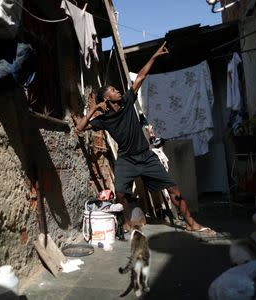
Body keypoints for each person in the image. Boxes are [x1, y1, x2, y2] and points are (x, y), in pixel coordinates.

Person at [75, 41, 215, 235]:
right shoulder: (104, 119)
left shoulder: (126, 101)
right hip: (126, 159)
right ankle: (127, 223)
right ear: (107, 99)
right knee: (121, 194)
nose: (118, 91)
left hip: (146, 156)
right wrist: (93, 109)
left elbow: (140, 76)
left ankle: (191, 223)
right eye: (114, 90)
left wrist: (155, 56)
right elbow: (79, 128)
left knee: (174, 190)